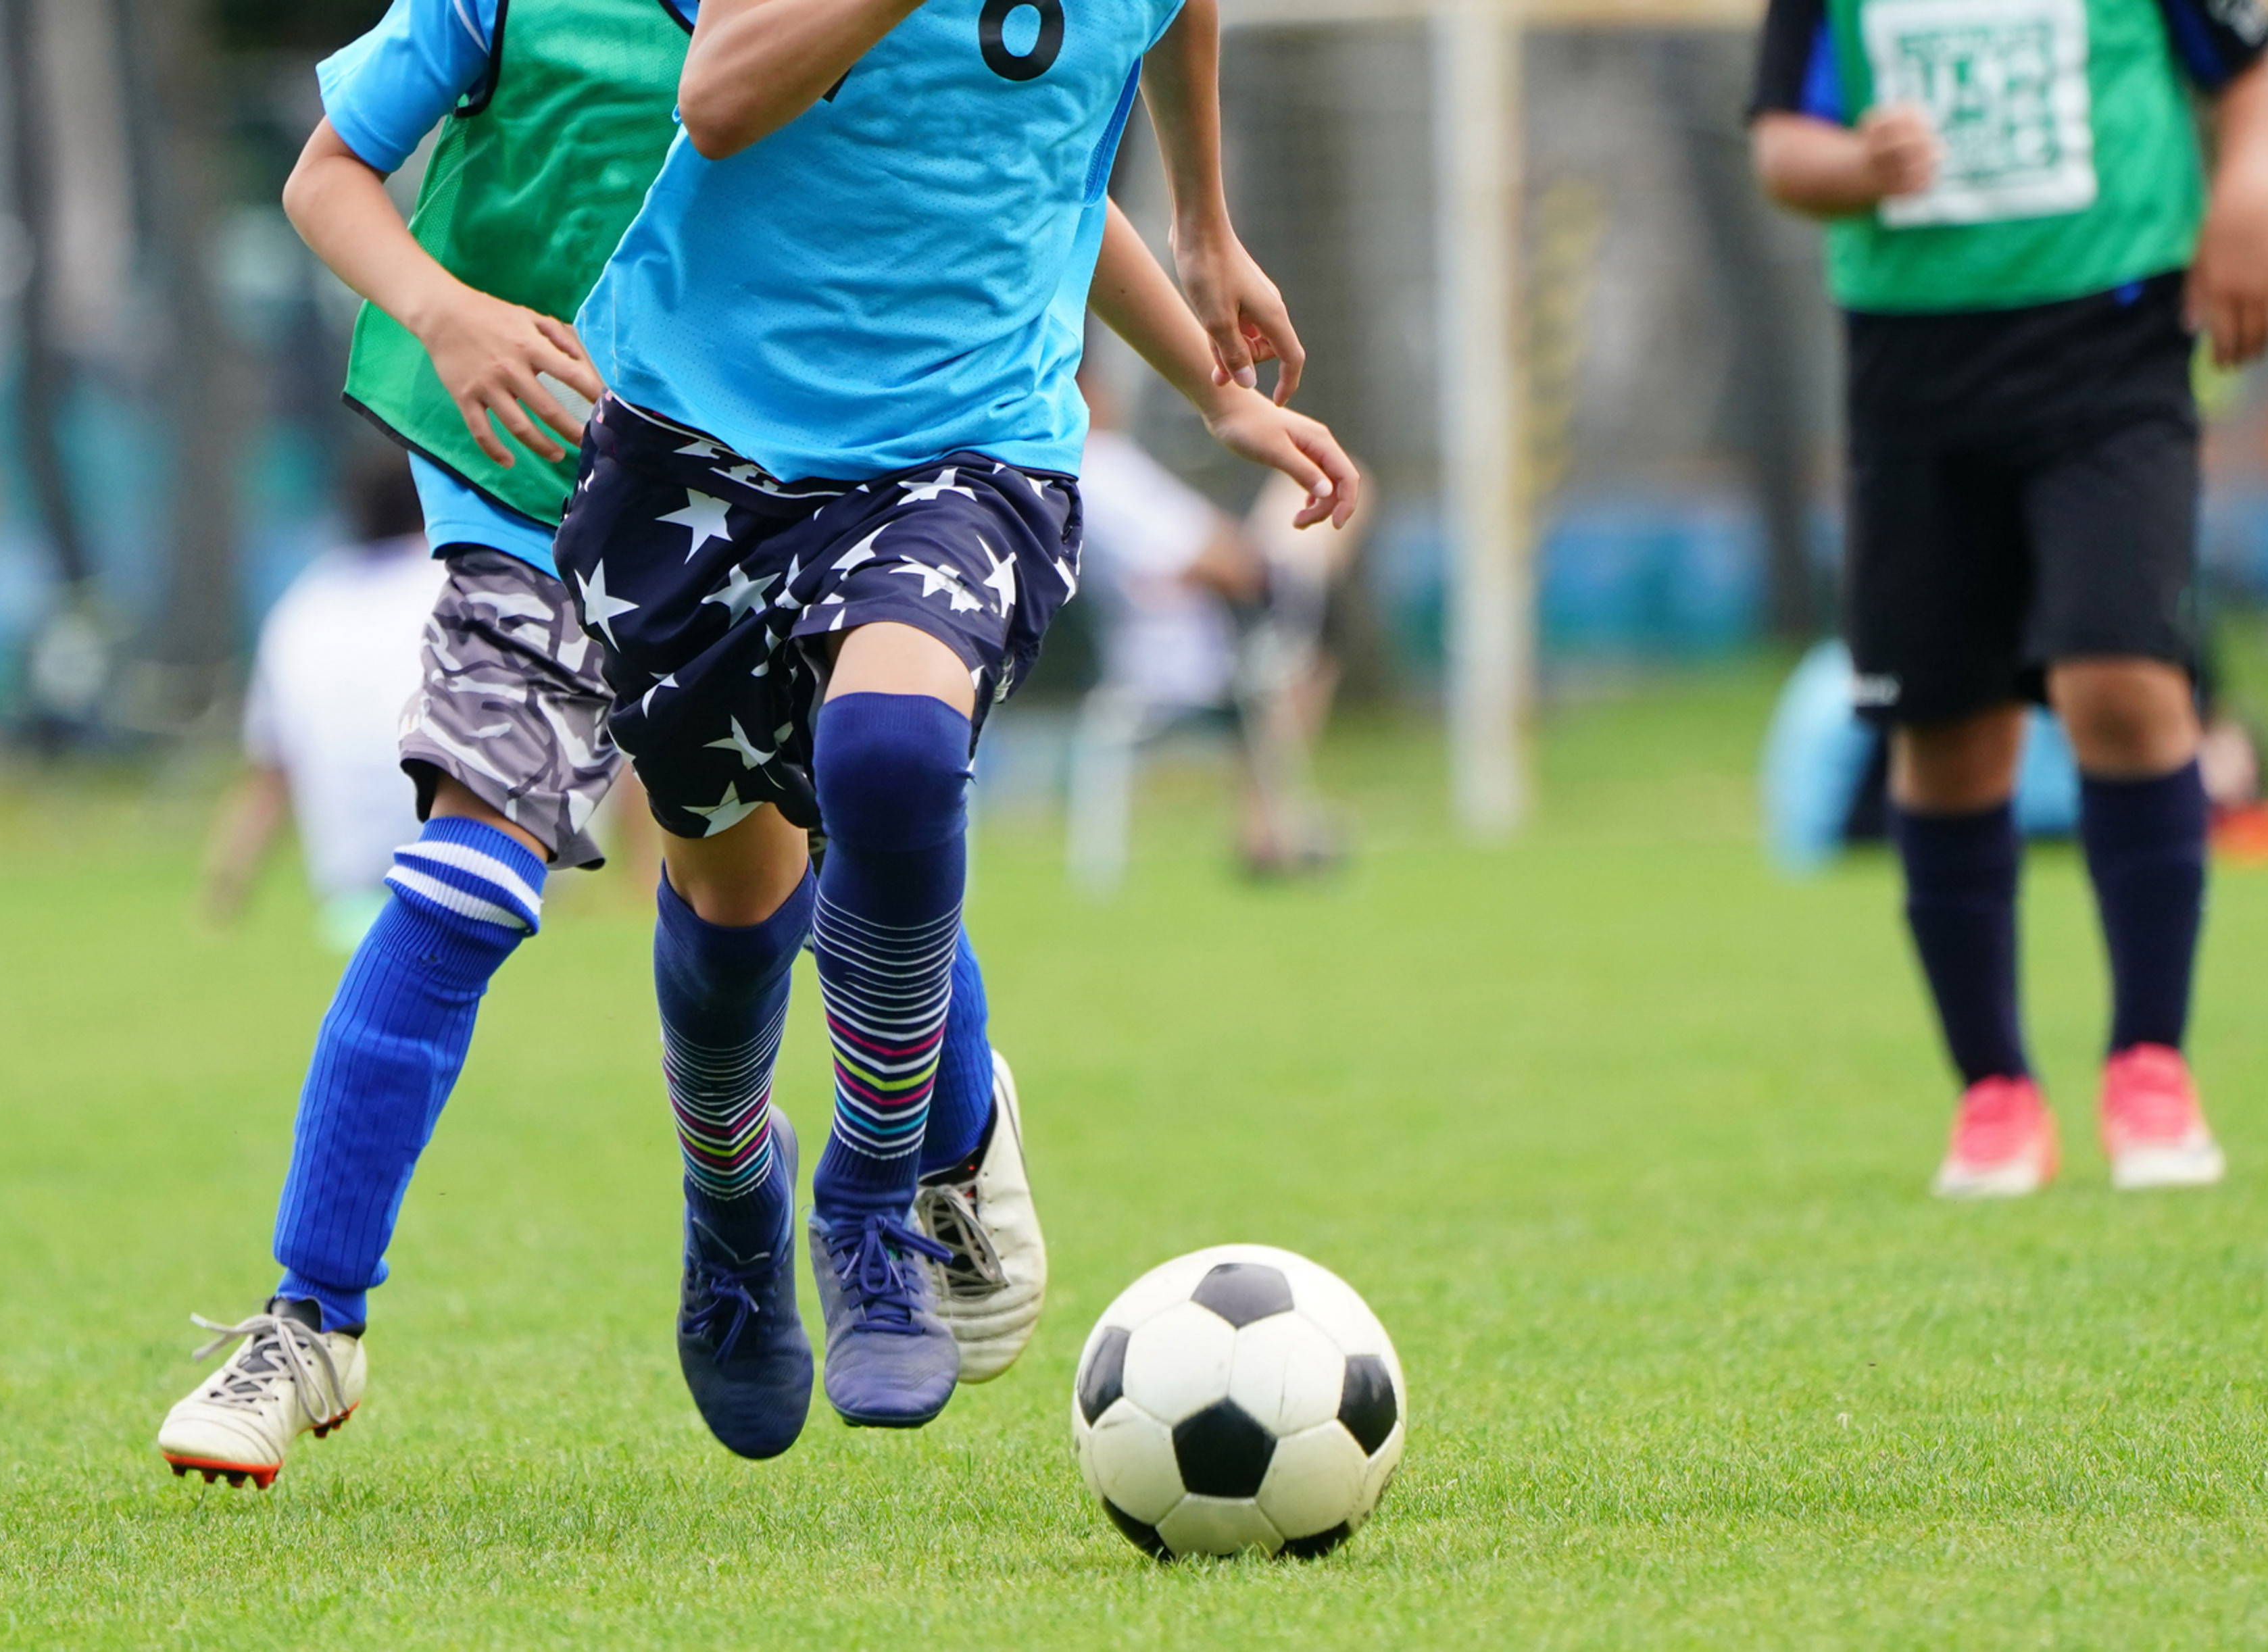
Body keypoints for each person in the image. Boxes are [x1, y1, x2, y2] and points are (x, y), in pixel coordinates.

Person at [155, 0, 1025, 1488]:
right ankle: (309, 1319)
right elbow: (324, 174)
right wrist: (446, 310)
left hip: (781, 490)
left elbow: (1028, 159)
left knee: (850, 811)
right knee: (468, 869)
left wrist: (1198, 304)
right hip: (532, 493)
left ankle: (925, 1144)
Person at [551, 0, 1359, 1451]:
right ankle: (729, 1192)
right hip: (697, 457)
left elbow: (1145, 43)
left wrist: (1205, 241)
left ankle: (872, 1201)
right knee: (734, 902)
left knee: (892, 749)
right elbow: (721, 95)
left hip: (967, 449)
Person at [1749, 0, 2268, 1195]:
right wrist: (1855, 167)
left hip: (2113, 347)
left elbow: (2253, 78)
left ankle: (2150, 1066)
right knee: (1948, 732)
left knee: (2123, 680)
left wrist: (2250, 193)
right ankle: (1993, 1091)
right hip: (1913, 375)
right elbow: (1780, 144)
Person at [1069, 356, 1366, 884]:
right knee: (1330, 495)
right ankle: (1268, 825)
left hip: (1164, 638)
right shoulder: (1100, 465)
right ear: (1087, 391)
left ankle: (1270, 822)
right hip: (1189, 647)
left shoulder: (1052, 473)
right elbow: (1216, 561)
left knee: (1308, 621)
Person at [201, 457, 447, 951]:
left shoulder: (308, 600)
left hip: (351, 900)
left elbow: (270, 773)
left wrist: (222, 894)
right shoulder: (467, 584)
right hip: (485, 869)